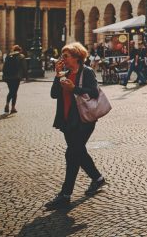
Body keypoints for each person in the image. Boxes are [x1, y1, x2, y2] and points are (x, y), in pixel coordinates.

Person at [45, 43, 106, 209]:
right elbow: (54, 94)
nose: (62, 59)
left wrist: (75, 88)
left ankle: (65, 194)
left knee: (72, 154)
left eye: (66, 56)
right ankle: (98, 178)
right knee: (78, 151)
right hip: (67, 119)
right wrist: (58, 75)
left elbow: (93, 92)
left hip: (83, 120)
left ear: (76, 57)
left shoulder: (86, 71)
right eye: (62, 56)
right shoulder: (64, 73)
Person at [2, 45, 28, 114]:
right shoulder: (21, 56)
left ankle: (7, 104)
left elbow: (4, 67)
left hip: (8, 77)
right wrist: (26, 76)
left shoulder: (8, 56)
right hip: (16, 77)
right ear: (20, 50)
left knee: (11, 91)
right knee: (14, 92)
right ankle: (12, 107)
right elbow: (24, 67)